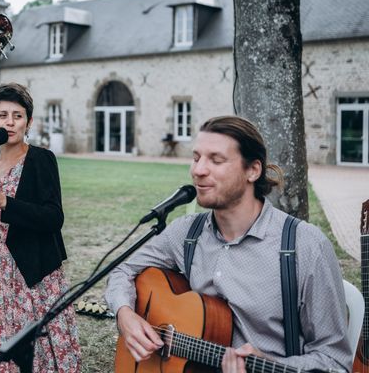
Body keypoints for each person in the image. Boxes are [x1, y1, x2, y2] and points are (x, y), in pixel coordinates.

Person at [105, 115, 353, 373]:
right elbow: (121, 269)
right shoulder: (187, 232)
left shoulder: (305, 246)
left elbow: (334, 362)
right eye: (196, 157)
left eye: (216, 160)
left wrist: (273, 366)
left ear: (253, 171)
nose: (198, 170)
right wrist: (125, 315)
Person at [0, 83, 81, 372]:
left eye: (18, 115)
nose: (10, 122)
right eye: (2, 115)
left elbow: (53, 217)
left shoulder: (41, 159)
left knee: (37, 352)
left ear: (28, 121)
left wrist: (6, 202)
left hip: (32, 273)